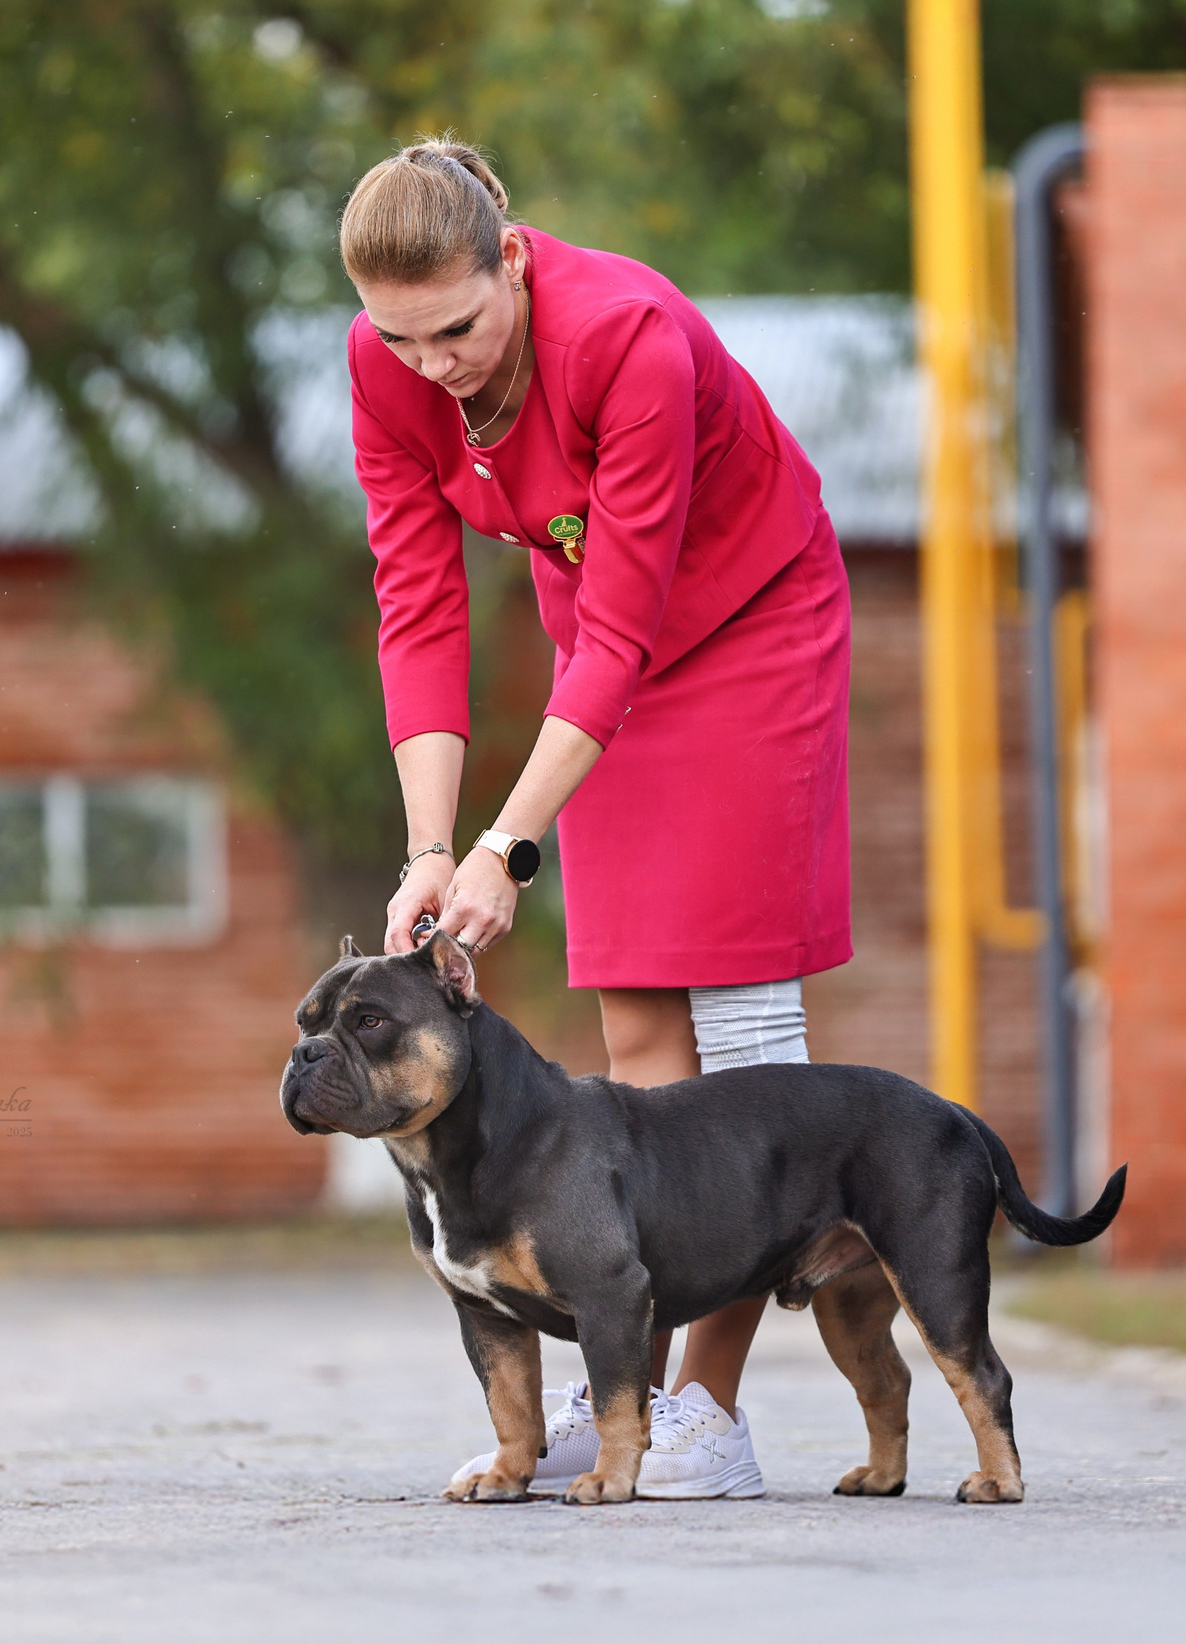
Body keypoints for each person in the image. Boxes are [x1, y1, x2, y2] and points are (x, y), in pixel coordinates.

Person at [343, 137, 852, 1500]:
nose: (434, 366)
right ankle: (624, 1382)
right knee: (637, 1030)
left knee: (740, 1025)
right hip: (604, 670)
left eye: (458, 330)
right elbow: (417, 605)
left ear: (511, 261)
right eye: (402, 339)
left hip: (748, 629)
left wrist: (509, 847)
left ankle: (709, 1415)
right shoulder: (386, 365)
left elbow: (625, 629)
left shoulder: (627, 337)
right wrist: (434, 850)